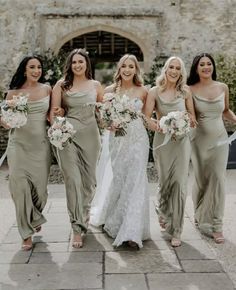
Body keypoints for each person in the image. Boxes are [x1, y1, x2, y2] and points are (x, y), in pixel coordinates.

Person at [90, 54, 150, 249]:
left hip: (139, 140)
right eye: (124, 66)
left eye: (131, 66)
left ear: (136, 69)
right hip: (118, 141)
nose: (127, 69)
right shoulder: (109, 91)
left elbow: (147, 118)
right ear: (119, 68)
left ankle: (132, 231)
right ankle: (115, 220)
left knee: (137, 180)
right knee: (121, 179)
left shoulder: (143, 91)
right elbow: (102, 120)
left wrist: (166, 126)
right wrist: (110, 124)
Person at [49, 48, 103, 248]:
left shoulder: (96, 85)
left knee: (89, 183)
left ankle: (84, 212)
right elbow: (54, 114)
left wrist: (113, 123)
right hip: (67, 136)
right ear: (70, 65)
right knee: (73, 180)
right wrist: (59, 115)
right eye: (74, 62)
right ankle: (76, 227)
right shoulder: (61, 85)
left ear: (87, 64)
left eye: (81, 62)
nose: (78, 65)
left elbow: (101, 115)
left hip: (91, 136)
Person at [0, 55, 52, 250]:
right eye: (32, 67)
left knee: (40, 189)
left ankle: (35, 216)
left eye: (39, 67)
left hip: (41, 145)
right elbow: (6, 122)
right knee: (19, 187)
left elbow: (52, 115)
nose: (36, 70)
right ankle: (25, 233)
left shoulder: (47, 89)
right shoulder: (12, 94)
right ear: (24, 70)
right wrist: (3, 120)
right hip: (18, 145)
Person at [144, 56, 196, 247]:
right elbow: (147, 118)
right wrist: (159, 125)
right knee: (165, 182)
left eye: (178, 68)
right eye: (171, 67)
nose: (174, 71)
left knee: (180, 183)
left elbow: (192, 116)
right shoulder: (154, 91)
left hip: (182, 142)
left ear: (181, 72)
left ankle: (177, 229)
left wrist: (184, 121)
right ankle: (163, 211)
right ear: (165, 70)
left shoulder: (185, 92)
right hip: (162, 142)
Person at [187, 53, 236, 244]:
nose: (206, 67)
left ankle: (216, 225)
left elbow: (225, 110)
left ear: (213, 67)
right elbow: (190, 115)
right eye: (202, 65)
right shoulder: (189, 89)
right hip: (198, 141)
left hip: (219, 140)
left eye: (209, 64)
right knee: (201, 180)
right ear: (196, 68)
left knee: (218, 179)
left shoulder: (222, 87)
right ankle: (200, 216)